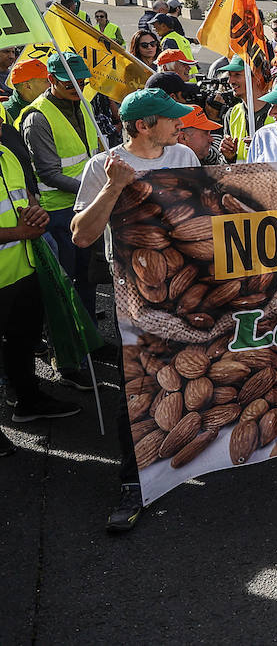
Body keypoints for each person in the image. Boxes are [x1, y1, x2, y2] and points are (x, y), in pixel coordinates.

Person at [69, 87, 202, 532]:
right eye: (171, 118)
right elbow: (82, 235)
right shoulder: (102, 166)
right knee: (139, 387)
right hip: (135, 292)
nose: (180, 124)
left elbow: (203, 215)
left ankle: (186, 456)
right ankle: (134, 482)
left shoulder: (183, 156)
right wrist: (114, 186)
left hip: (186, 287)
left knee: (191, 371)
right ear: (144, 125)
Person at [0, 127, 76, 433]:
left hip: (23, 270)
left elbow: (26, 199)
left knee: (21, 342)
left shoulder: (7, 154)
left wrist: (38, 213)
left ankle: (28, 401)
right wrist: (19, 233)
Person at [20, 52, 102, 323]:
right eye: (70, 83)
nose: (78, 87)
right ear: (51, 79)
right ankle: (70, 353)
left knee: (88, 277)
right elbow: (49, 173)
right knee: (65, 283)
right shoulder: (38, 118)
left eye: (82, 81)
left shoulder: (84, 104)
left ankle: (91, 341)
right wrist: (93, 189)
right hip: (58, 213)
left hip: (86, 205)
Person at [219, 57, 274, 162]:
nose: (230, 81)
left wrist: (262, 150)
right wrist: (228, 157)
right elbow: (225, 165)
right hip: (241, 178)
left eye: (237, 75)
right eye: (230, 75)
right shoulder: (232, 113)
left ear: (258, 77)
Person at [3, 57, 49, 122]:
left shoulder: (50, 103)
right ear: (27, 86)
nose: (52, 83)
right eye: (47, 80)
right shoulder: (7, 113)